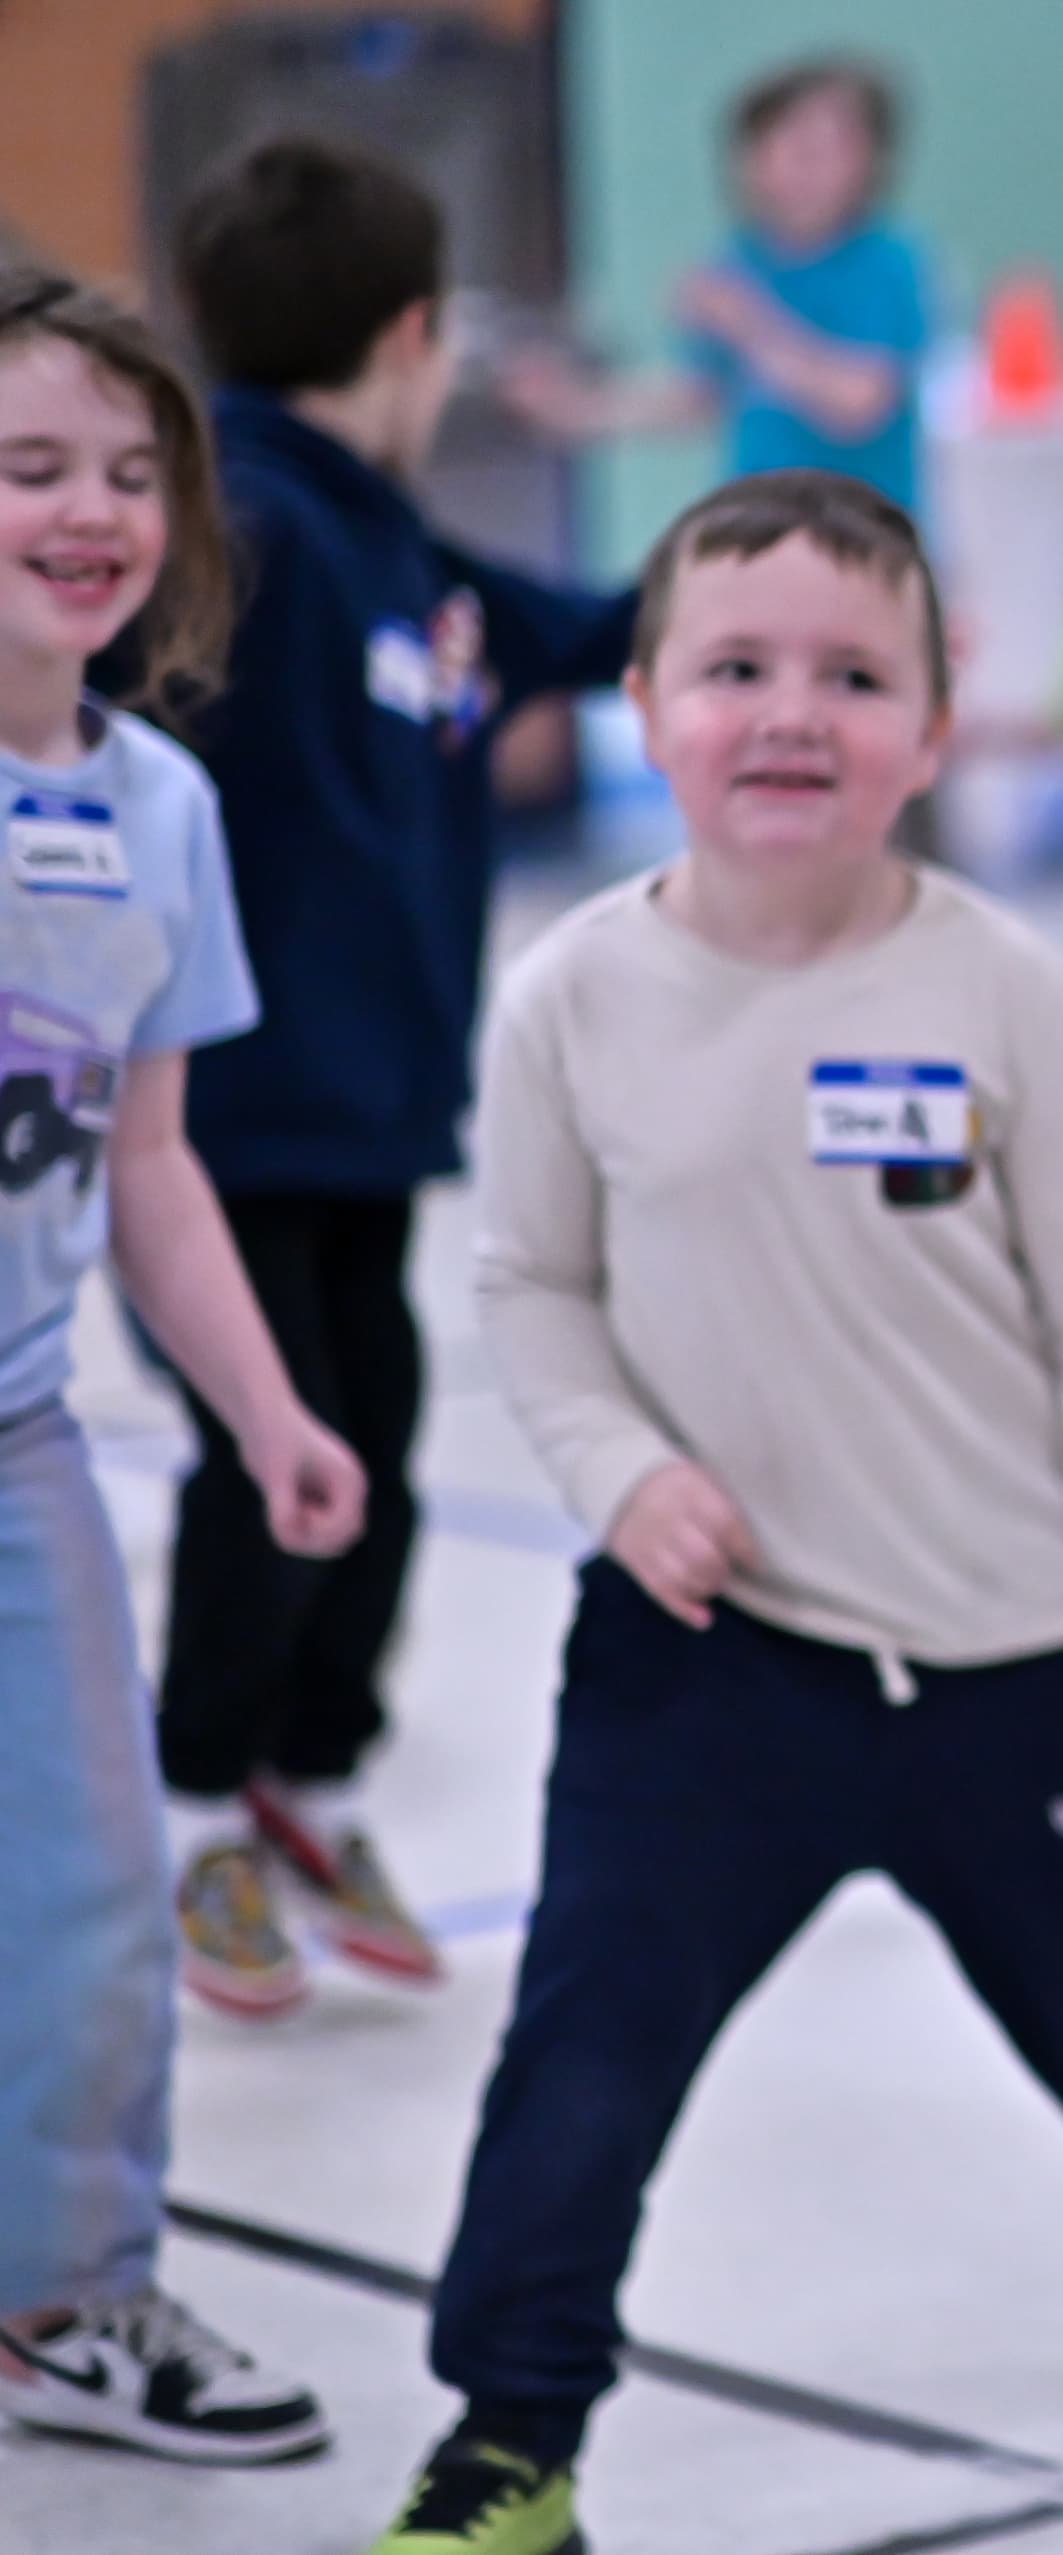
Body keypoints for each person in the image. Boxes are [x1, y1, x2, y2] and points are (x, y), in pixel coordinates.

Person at [363, 473, 1063, 2555]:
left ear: (936, 725)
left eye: (854, 673)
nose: (791, 709)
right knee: (585, 2061)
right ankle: (513, 2429)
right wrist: (625, 1479)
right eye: (735, 666)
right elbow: (532, 1288)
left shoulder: (1000, 984)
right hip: (703, 1670)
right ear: (642, 699)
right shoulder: (573, 996)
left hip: (1010, 1651)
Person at [156, 137, 635, 2023]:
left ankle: (310, 1781)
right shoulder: (236, 529)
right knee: (261, 1467)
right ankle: (199, 1802)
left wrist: (785, 600)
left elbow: (579, 632)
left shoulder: (387, 541)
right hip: (207, 1131)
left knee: (379, 1453)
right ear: (419, 333)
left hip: (366, 1119)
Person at [0, 265, 366, 2465]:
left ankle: (66, 2293)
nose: (90, 508)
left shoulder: (160, 809)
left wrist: (266, 1407)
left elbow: (149, 1160)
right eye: (31, 464)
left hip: (23, 1434)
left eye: (134, 472)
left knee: (100, 1891)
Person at [499, 57, 930, 514]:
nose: (805, 167)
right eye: (788, 145)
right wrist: (578, 410)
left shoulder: (889, 262)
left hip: (868, 532)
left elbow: (861, 401)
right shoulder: (740, 260)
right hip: (758, 522)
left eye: (827, 150)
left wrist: (749, 323)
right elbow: (702, 397)